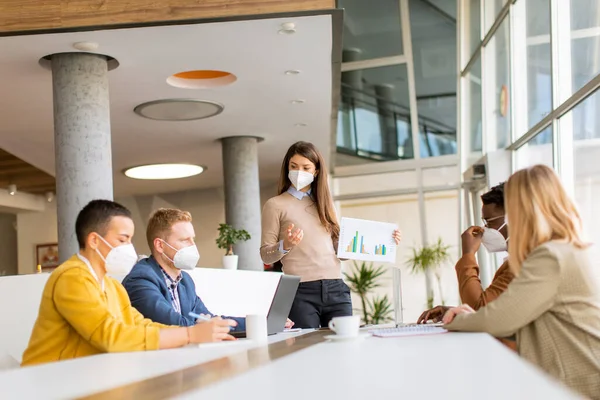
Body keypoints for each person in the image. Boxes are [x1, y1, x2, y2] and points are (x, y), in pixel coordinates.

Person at [442, 165, 600, 400]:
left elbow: (498, 320)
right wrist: (473, 316)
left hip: (582, 384)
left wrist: (457, 320)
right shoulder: (561, 249)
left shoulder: (549, 255)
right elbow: (517, 317)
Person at [22, 200, 236, 367]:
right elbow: (109, 336)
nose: (129, 247)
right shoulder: (72, 277)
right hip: (49, 382)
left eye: (130, 240)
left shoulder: (112, 286)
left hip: (83, 378)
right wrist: (189, 334)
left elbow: (140, 324)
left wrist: (195, 336)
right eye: (123, 240)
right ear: (95, 240)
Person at [260, 141, 401, 328]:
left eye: (306, 167)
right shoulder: (275, 205)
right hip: (300, 291)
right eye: (294, 166)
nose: (299, 172)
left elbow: (341, 252)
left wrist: (386, 240)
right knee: (308, 350)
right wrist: (285, 244)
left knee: (343, 348)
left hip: (336, 289)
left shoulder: (325, 204)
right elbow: (265, 254)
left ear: (316, 171)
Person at [122, 208, 293, 330]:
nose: (193, 246)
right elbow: (175, 326)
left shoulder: (185, 281)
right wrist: (209, 326)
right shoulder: (141, 279)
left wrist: (262, 323)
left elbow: (208, 320)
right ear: (160, 245)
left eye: (193, 239)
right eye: (184, 240)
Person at [417, 183, 514, 324]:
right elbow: (497, 310)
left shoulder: (522, 264)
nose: (484, 229)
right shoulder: (516, 260)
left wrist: (468, 254)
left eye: (489, 222)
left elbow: (480, 309)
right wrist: (455, 312)